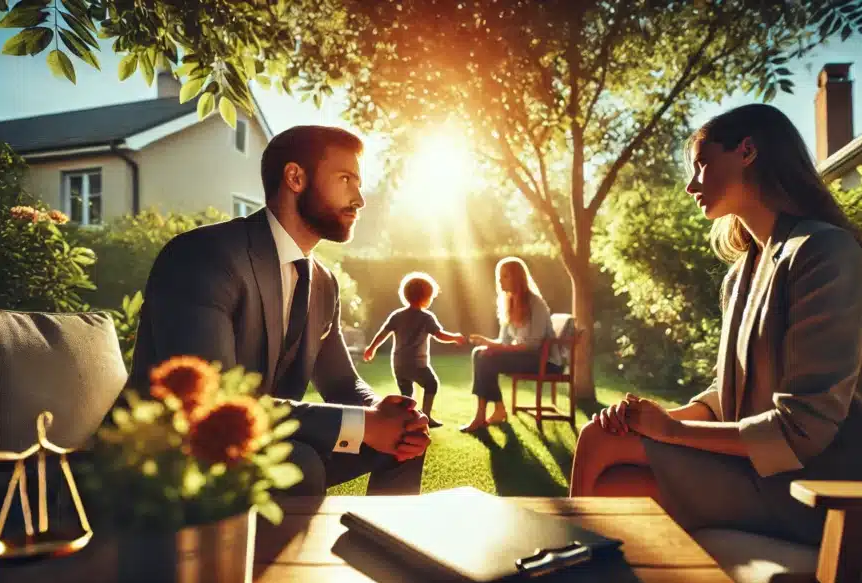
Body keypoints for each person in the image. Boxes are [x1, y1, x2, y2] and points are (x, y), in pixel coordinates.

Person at [569, 104, 862, 552]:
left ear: (746, 151)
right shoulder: (742, 272)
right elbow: (730, 396)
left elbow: (804, 430)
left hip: (842, 490)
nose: (691, 185)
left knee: (610, 461)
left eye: (702, 165)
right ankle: (577, 562)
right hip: (772, 474)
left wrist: (670, 432)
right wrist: (654, 419)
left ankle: (574, 565)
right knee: (602, 437)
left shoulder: (824, 252)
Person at [127, 125, 430, 496]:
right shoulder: (204, 256)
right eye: (346, 179)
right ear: (295, 177)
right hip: (176, 451)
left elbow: (340, 382)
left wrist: (385, 411)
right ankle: (273, 556)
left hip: (264, 437)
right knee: (298, 461)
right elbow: (213, 402)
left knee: (407, 442)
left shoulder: (322, 282)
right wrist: (363, 424)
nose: (359, 199)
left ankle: (387, 548)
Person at [462, 257, 563, 433]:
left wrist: (496, 348)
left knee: (486, 358)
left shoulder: (536, 304)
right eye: (499, 276)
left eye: (505, 276)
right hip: (524, 357)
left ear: (517, 278)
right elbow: (504, 341)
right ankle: (495, 409)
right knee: (480, 353)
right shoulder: (507, 302)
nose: (500, 280)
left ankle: (486, 414)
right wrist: (487, 342)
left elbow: (533, 345)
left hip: (544, 362)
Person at [363, 271, 467, 428]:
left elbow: (382, 333)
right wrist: (455, 337)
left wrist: (371, 348)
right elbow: (439, 335)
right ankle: (426, 417)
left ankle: (405, 420)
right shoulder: (426, 317)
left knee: (406, 395)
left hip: (398, 363)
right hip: (417, 364)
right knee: (431, 384)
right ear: (426, 298)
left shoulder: (397, 315)